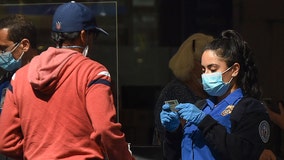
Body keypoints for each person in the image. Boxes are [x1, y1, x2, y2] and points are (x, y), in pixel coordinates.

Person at [0, 2, 134, 160]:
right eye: (93, 36)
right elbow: (105, 129)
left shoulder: (20, 77)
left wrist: (40, 151)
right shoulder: (93, 72)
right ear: (84, 36)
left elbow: (5, 141)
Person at [160, 29, 274, 159]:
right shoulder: (201, 106)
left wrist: (204, 122)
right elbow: (173, 155)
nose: (206, 75)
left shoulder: (250, 108)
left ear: (235, 70)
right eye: (203, 69)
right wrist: (173, 132)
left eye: (213, 69)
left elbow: (245, 153)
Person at [153, 33, 213, 160]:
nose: (207, 70)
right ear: (190, 64)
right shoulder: (175, 91)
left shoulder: (210, 92)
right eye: (202, 64)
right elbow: (174, 140)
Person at [0, 14, 38, 160]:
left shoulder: (45, 79)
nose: (0, 54)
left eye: (3, 49)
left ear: (24, 45)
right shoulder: (6, 80)